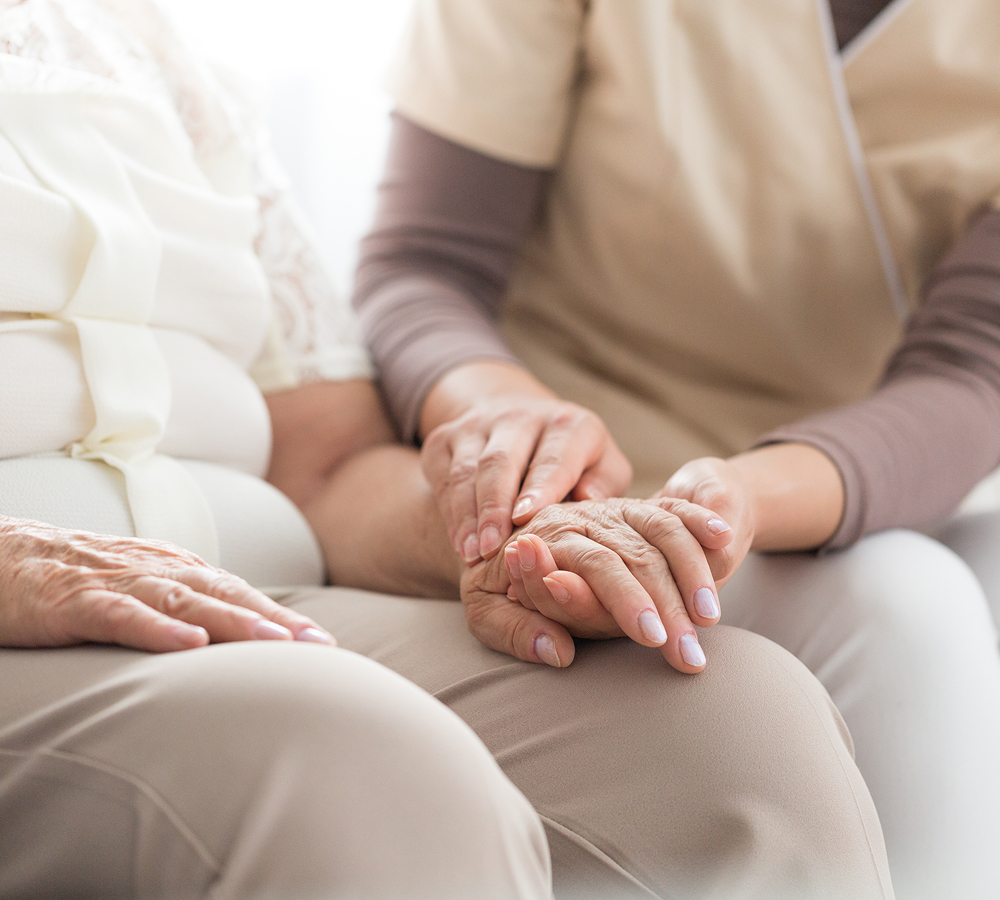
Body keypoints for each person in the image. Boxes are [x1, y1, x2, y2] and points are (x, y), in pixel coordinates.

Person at [0, 1, 896, 897]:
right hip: (24, 623)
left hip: (259, 594)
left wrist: (505, 533)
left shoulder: (153, 51)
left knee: (733, 724)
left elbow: (329, 465)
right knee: (363, 771)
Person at [351, 1, 1000, 897]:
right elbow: (425, 263)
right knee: (904, 605)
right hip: (553, 477)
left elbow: (973, 371)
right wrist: (516, 432)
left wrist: (738, 501)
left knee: (951, 582)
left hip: (819, 489)